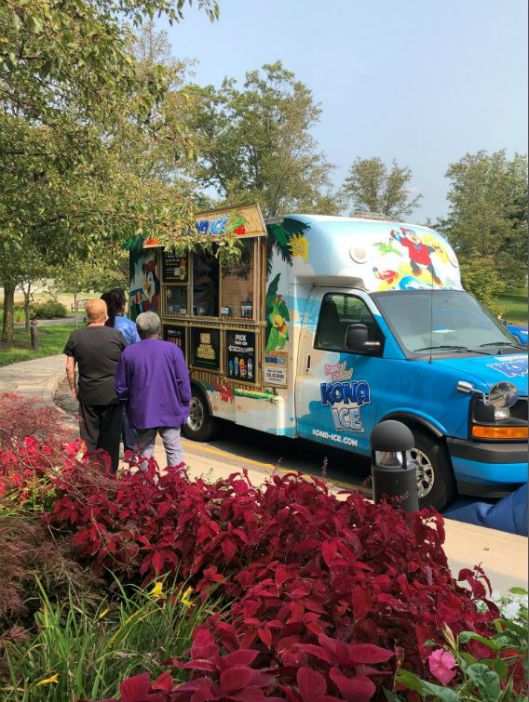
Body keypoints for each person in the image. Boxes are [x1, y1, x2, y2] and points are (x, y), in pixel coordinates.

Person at [114, 311, 191, 468]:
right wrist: (185, 402)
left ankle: (147, 490)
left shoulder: (129, 352)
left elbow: (121, 387)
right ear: (159, 329)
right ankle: (177, 487)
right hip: (170, 409)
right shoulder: (173, 350)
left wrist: (128, 404)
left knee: (144, 452)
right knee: (174, 450)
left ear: (138, 330)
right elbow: (183, 382)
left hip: (142, 412)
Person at [64, 299, 125, 471]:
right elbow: (126, 363)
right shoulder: (116, 336)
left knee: (89, 438)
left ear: (88, 316)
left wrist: (73, 389)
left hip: (88, 394)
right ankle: (109, 478)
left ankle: (90, 476)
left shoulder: (76, 335)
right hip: (112, 395)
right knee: (111, 439)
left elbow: (69, 367)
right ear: (106, 315)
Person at [101, 288, 140, 451]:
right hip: (125, 376)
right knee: (125, 411)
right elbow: (139, 350)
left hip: (103, 375)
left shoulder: (100, 324)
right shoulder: (130, 326)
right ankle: (130, 449)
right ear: (122, 305)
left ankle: (108, 447)